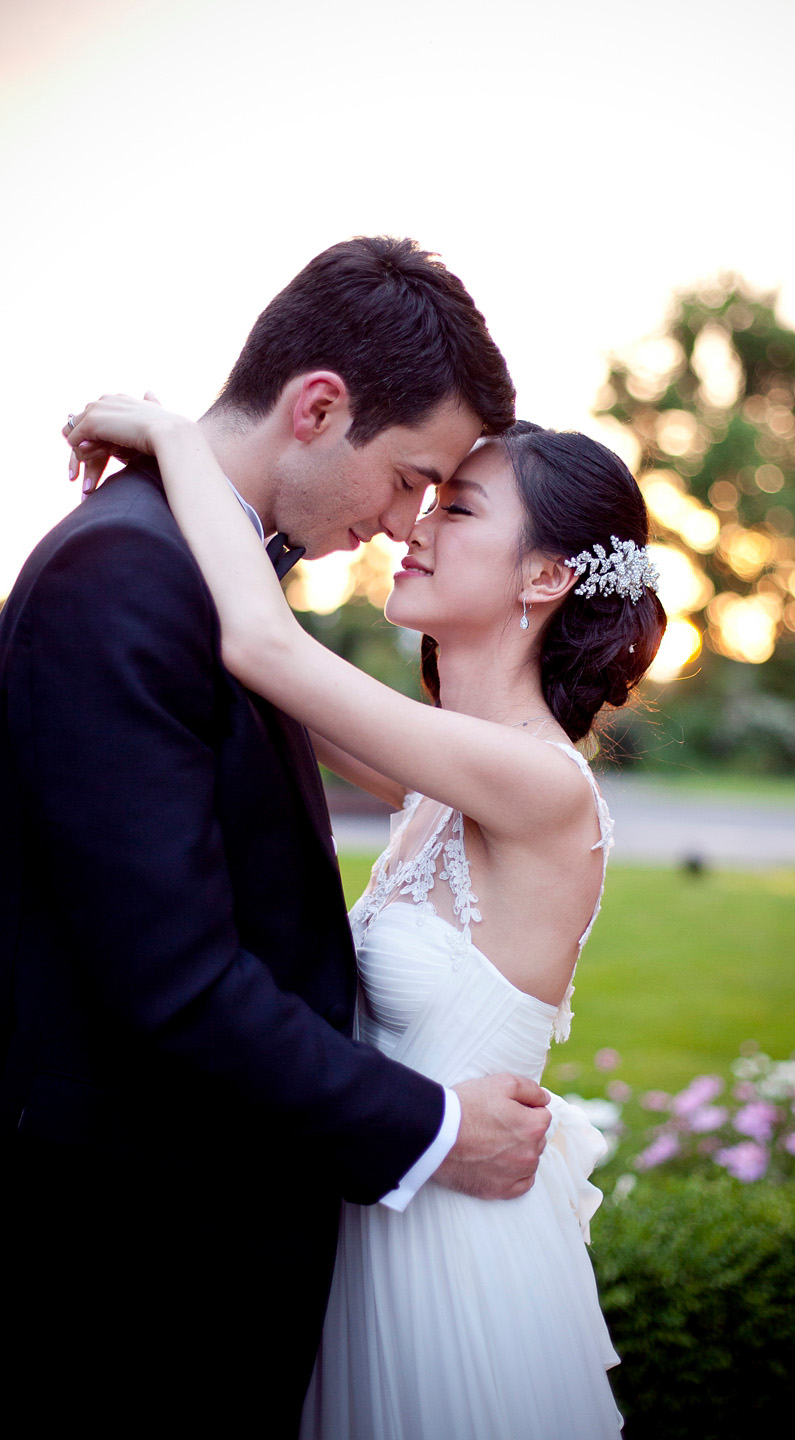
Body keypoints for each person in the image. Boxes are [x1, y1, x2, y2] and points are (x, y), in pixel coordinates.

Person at [0, 237, 553, 1440]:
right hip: (132, 1259)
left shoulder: (192, 569)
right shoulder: (129, 578)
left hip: (202, 1237)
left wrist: (167, 433)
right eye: (414, 477)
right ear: (318, 407)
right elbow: (177, 981)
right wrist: (440, 1128)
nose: (407, 521)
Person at [64, 392, 668, 1440]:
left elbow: (267, 648)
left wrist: (177, 441)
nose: (414, 526)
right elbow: (254, 663)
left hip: (455, 1257)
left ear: (546, 575)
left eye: (461, 510)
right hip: (374, 1211)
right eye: (424, 499)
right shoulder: (438, 770)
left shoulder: (540, 785)